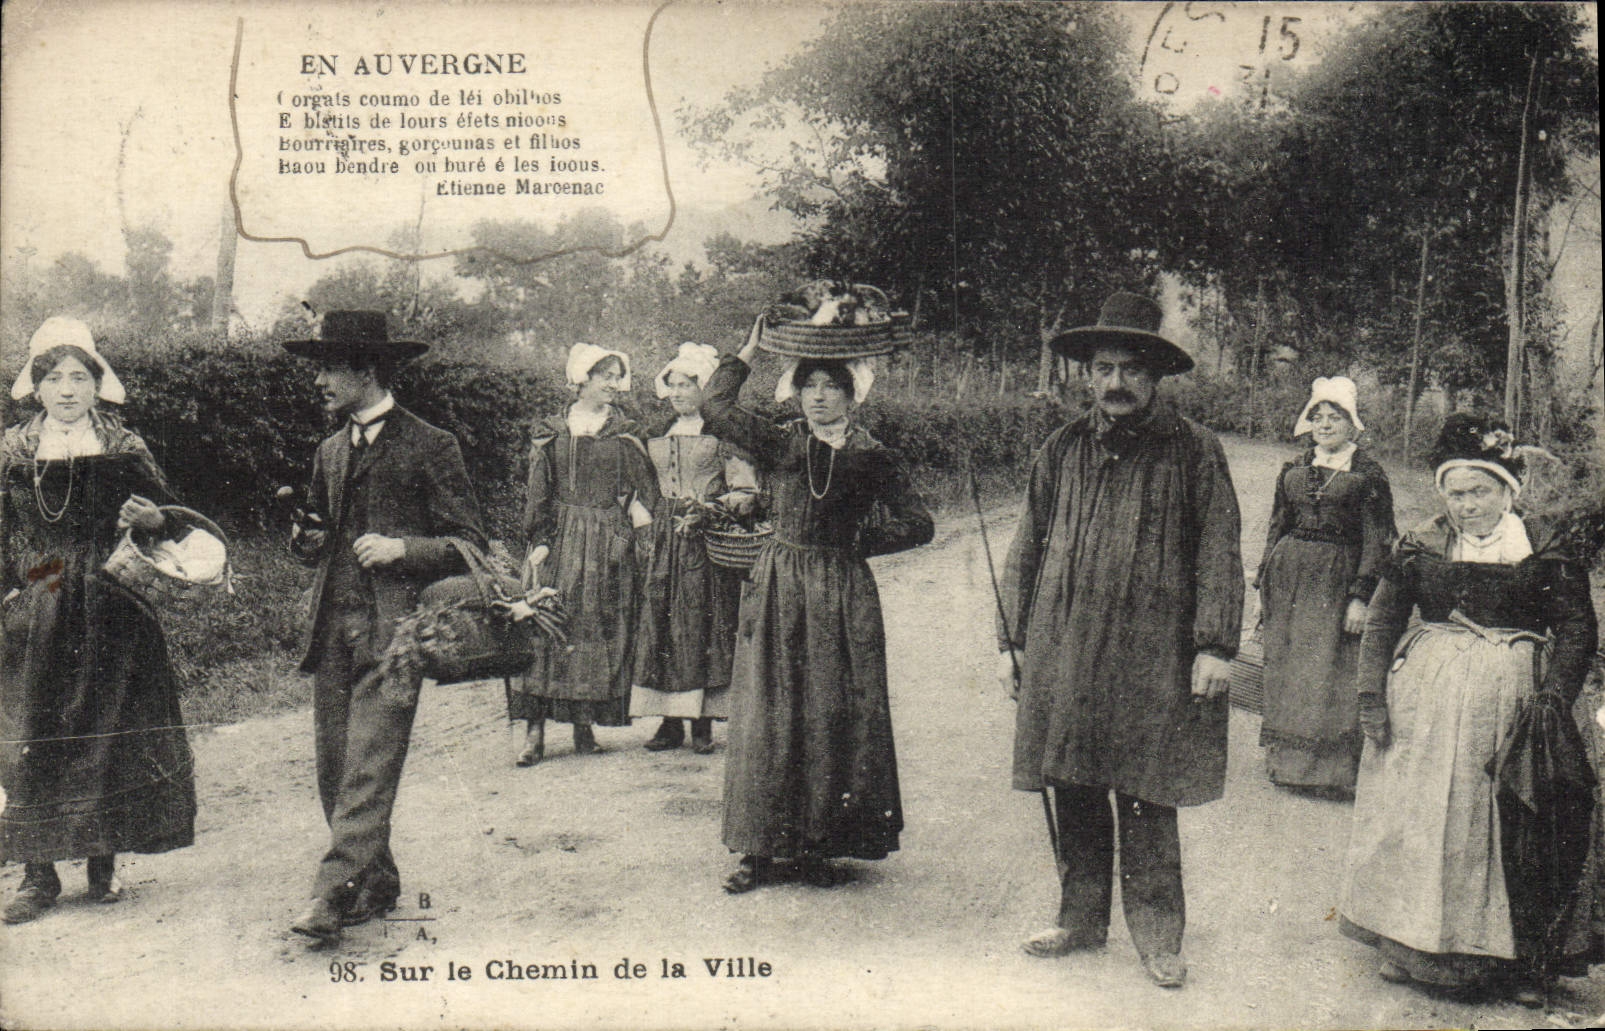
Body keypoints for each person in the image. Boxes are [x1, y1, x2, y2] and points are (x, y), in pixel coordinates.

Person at [999, 292, 1242, 989]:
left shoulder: (1194, 450)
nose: (1115, 382)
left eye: (1131, 369)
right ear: (1085, 374)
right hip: (1066, 642)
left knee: (1144, 789)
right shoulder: (1062, 448)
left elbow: (1218, 551)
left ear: (1155, 375)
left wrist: (1214, 645)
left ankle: (1159, 938)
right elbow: (1026, 547)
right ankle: (1079, 920)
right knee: (1072, 779)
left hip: (1152, 652)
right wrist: (1010, 640)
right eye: (1103, 367)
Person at [1339, 412, 1598, 997]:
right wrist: (1370, 696)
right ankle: (1411, 947)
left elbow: (1579, 628)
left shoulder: (1544, 551)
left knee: (1508, 824)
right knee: (1422, 820)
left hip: (1515, 706)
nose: (1466, 506)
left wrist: (1553, 701)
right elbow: (1382, 619)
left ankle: (1516, 963)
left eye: (1479, 491)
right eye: (1455, 493)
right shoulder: (1422, 546)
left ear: (1507, 490)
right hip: (1425, 706)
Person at [701, 317, 933, 893]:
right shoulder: (782, 442)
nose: (819, 396)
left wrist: (861, 544)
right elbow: (716, 406)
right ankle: (758, 851)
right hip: (779, 585)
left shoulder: (872, 456)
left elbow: (919, 525)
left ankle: (817, 847)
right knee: (765, 713)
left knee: (828, 714)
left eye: (831, 386)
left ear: (852, 394)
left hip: (840, 595)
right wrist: (747, 350)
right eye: (809, 386)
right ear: (797, 392)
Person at [281, 311, 487, 945]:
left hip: (395, 637)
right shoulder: (329, 449)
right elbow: (318, 538)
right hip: (333, 630)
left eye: (328, 368)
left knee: (369, 764)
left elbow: (469, 543)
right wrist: (307, 539)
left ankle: (331, 894)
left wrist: (404, 549)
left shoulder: (432, 443)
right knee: (335, 767)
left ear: (366, 370)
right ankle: (377, 879)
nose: (318, 380)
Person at [0, 317, 196, 924]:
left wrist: (154, 520)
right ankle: (39, 874)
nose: (65, 390)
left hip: (112, 598)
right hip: (42, 590)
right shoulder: (12, 450)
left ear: (96, 383)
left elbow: (175, 523)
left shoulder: (124, 445)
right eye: (53, 378)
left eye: (78, 377)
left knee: (109, 722)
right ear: (35, 386)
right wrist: (12, 590)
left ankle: (102, 860)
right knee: (36, 726)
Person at [510, 344, 658, 766]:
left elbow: (641, 490)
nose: (615, 384)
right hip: (558, 537)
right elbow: (539, 488)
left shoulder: (625, 432)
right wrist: (538, 537)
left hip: (605, 540)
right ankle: (534, 733)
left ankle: (583, 726)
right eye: (606, 376)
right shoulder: (552, 430)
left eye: (617, 376)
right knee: (545, 623)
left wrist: (634, 535)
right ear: (583, 379)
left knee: (594, 627)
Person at [1255, 377, 1396, 795]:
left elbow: (1379, 538)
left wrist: (1360, 597)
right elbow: (1277, 525)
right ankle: (1286, 763)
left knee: (1330, 669)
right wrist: (1264, 579)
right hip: (1289, 579)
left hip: (1338, 580)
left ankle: (1330, 774)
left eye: (1335, 418)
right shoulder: (1294, 469)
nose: (1326, 425)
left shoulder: (1367, 474)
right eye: (1319, 417)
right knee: (1288, 666)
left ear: (1352, 425)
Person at [629, 342, 759, 755]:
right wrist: (642, 520)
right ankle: (669, 722)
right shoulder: (656, 432)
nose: (679, 392)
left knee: (703, 622)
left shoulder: (722, 435)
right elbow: (641, 486)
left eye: (687, 384)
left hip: (705, 538)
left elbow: (745, 490)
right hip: (664, 537)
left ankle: (702, 720)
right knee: (663, 622)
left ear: (704, 388)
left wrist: (710, 510)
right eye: (673, 385)